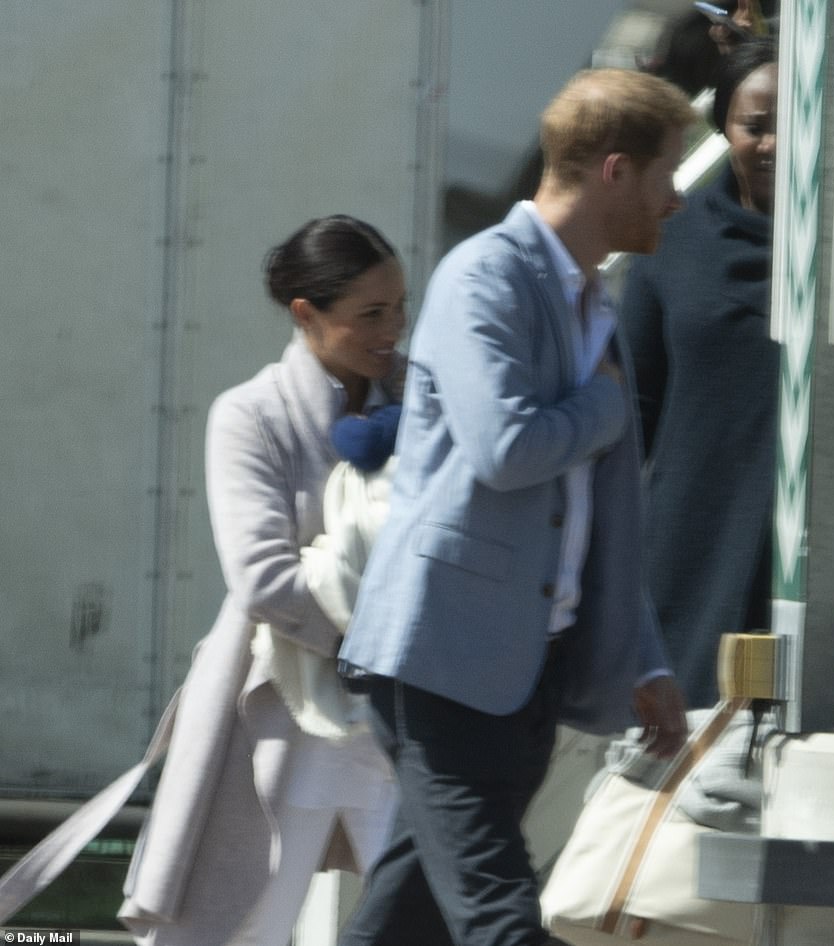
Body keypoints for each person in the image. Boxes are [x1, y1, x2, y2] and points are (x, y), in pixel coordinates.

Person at [337, 68, 696, 946]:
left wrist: (642, 658)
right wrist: (606, 408)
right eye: (665, 173)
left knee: (409, 913)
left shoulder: (590, 301)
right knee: (499, 914)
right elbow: (506, 450)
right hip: (445, 656)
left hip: (527, 668)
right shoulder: (484, 277)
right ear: (616, 171)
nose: (676, 198)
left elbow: (592, 519)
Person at [119, 215, 407, 946]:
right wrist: (383, 630)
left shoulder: (424, 400)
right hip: (277, 711)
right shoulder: (249, 415)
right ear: (306, 314)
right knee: (240, 923)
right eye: (370, 314)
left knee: (423, 920)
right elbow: (262, 579)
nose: (392, 329)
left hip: (401, 724)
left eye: (400, 307)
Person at [620, 38, 779, 710]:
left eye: (794, 124)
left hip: (824, 552)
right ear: (724, 128)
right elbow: (632, 412)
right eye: (755, 126)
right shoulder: (673, 243)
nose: (774, 144)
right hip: (696, 545)